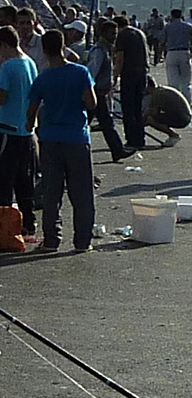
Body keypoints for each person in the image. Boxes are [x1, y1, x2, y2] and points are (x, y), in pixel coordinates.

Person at [26, 30, 97, 253]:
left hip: (50, 138)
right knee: (82, 192)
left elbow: (31, 112)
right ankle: (82, 241)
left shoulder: (42, 78)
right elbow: (91, 102)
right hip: (76, 136)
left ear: (44, 51)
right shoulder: (80, 72)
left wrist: (31, 127)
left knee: (52, 191)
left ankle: (51, 239)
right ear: (63, 46)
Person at [0, 27, 39, 233]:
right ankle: (28, 221)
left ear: (4, 45)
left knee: (3, 180)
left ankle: (2, 224)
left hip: (7, 129)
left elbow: (1, 98)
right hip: (27, 130)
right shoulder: (29, 62)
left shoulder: (8, 66)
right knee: (24, 179)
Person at [87, 20, 130, 161]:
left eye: (115, 34)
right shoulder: (99, 51)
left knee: (106, 123)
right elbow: (91, 73)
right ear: (103, 34)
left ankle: (117, 150)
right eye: (112, 34)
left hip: (99, 93)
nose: (114, 37)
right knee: (103, 123)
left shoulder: (105, 49)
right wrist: (91, 90)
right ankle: (117, 150)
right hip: (95, 94)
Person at [115, 14, 150, 151]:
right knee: (137, 107)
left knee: (128, 108)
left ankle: (131, 139)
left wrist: (115, 76)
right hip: (142, 73)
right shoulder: (139, 33)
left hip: (129, 73)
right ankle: (140, 138)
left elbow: (120, 58)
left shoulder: (123, 36)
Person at [164, 9, 192, 101]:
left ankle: (175, 101)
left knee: (173, 80)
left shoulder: (167, 27)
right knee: (186, 80)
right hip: (184, 52)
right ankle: (187, 101)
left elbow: (162, 41)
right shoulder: (188, 27)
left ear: (172, 16)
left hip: (171, 52)